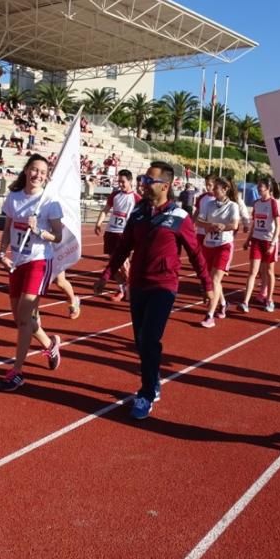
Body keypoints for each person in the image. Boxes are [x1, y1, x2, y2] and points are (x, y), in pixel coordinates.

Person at [94, 162, 213, 419]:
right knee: (140, 340)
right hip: (138, 284)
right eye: (143, 179)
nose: (143, 184)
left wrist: (207, 285)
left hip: (164, 286)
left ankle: (146, 393)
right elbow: (124, 247)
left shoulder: (179, 218)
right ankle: (153, 377)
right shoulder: (137, 212)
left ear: (165, 186)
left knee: (149, 338)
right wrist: (106, 274)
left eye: (148, 180)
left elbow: (195, 253)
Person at [0, 154, 64, 392]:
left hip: (39, 261)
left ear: (47, 177)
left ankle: (17, 372)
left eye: (43, 173)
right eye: (34, 170)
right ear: (26, 171)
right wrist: (1, 252)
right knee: (19, 317)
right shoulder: (13, 198)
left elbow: (59, 236)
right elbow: (7, 229)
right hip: (18, 262)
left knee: (24, 317)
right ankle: (49, 342)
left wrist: (40, 231)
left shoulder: (49, 201)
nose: (38, 175)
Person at [196, 177, 240, 327]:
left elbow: (234, 225)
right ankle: (222, 303)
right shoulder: (208, 204)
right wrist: (209, 225)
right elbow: (198, 221)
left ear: (225, 189)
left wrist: (223, 226)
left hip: (224, 245)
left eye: (216, 188)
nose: (212, 190)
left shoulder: (233, 206)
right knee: (212, 279)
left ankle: (209, 316)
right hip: (209, 245)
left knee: (215, 280)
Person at [94, 169, 141, 302]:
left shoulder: (137, 199)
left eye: (123, 182)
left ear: (130, 181)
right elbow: (106, 210)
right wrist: (98, 223)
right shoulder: (114, 195)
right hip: (111, 233)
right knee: (113, 265)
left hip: (124, 235)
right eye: (119, 181)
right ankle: (121, 289)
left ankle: (132, 288)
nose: (120, 184)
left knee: (124, 265)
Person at [239, 177, 280, 312]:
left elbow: (278, 225)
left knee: (269, 272)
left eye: (261, 187)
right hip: (257, 240)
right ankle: (245, 302)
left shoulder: (274, 203)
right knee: (252, 272)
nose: (258, 189)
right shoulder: (256, 203)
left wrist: (273, 244)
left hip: (269, 241)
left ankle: (269, 300)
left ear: (268, 188)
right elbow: (254, 224)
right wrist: (248, 240)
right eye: (258, 187)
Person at [193, 175, 216, 247]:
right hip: (200, 231)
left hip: (212, 232)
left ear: (215, 184)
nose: (207, 187)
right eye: (206, 184)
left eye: (210, 185)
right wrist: (192, 223)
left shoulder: (218, 198)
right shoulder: (202, 197)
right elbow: (197, 211)